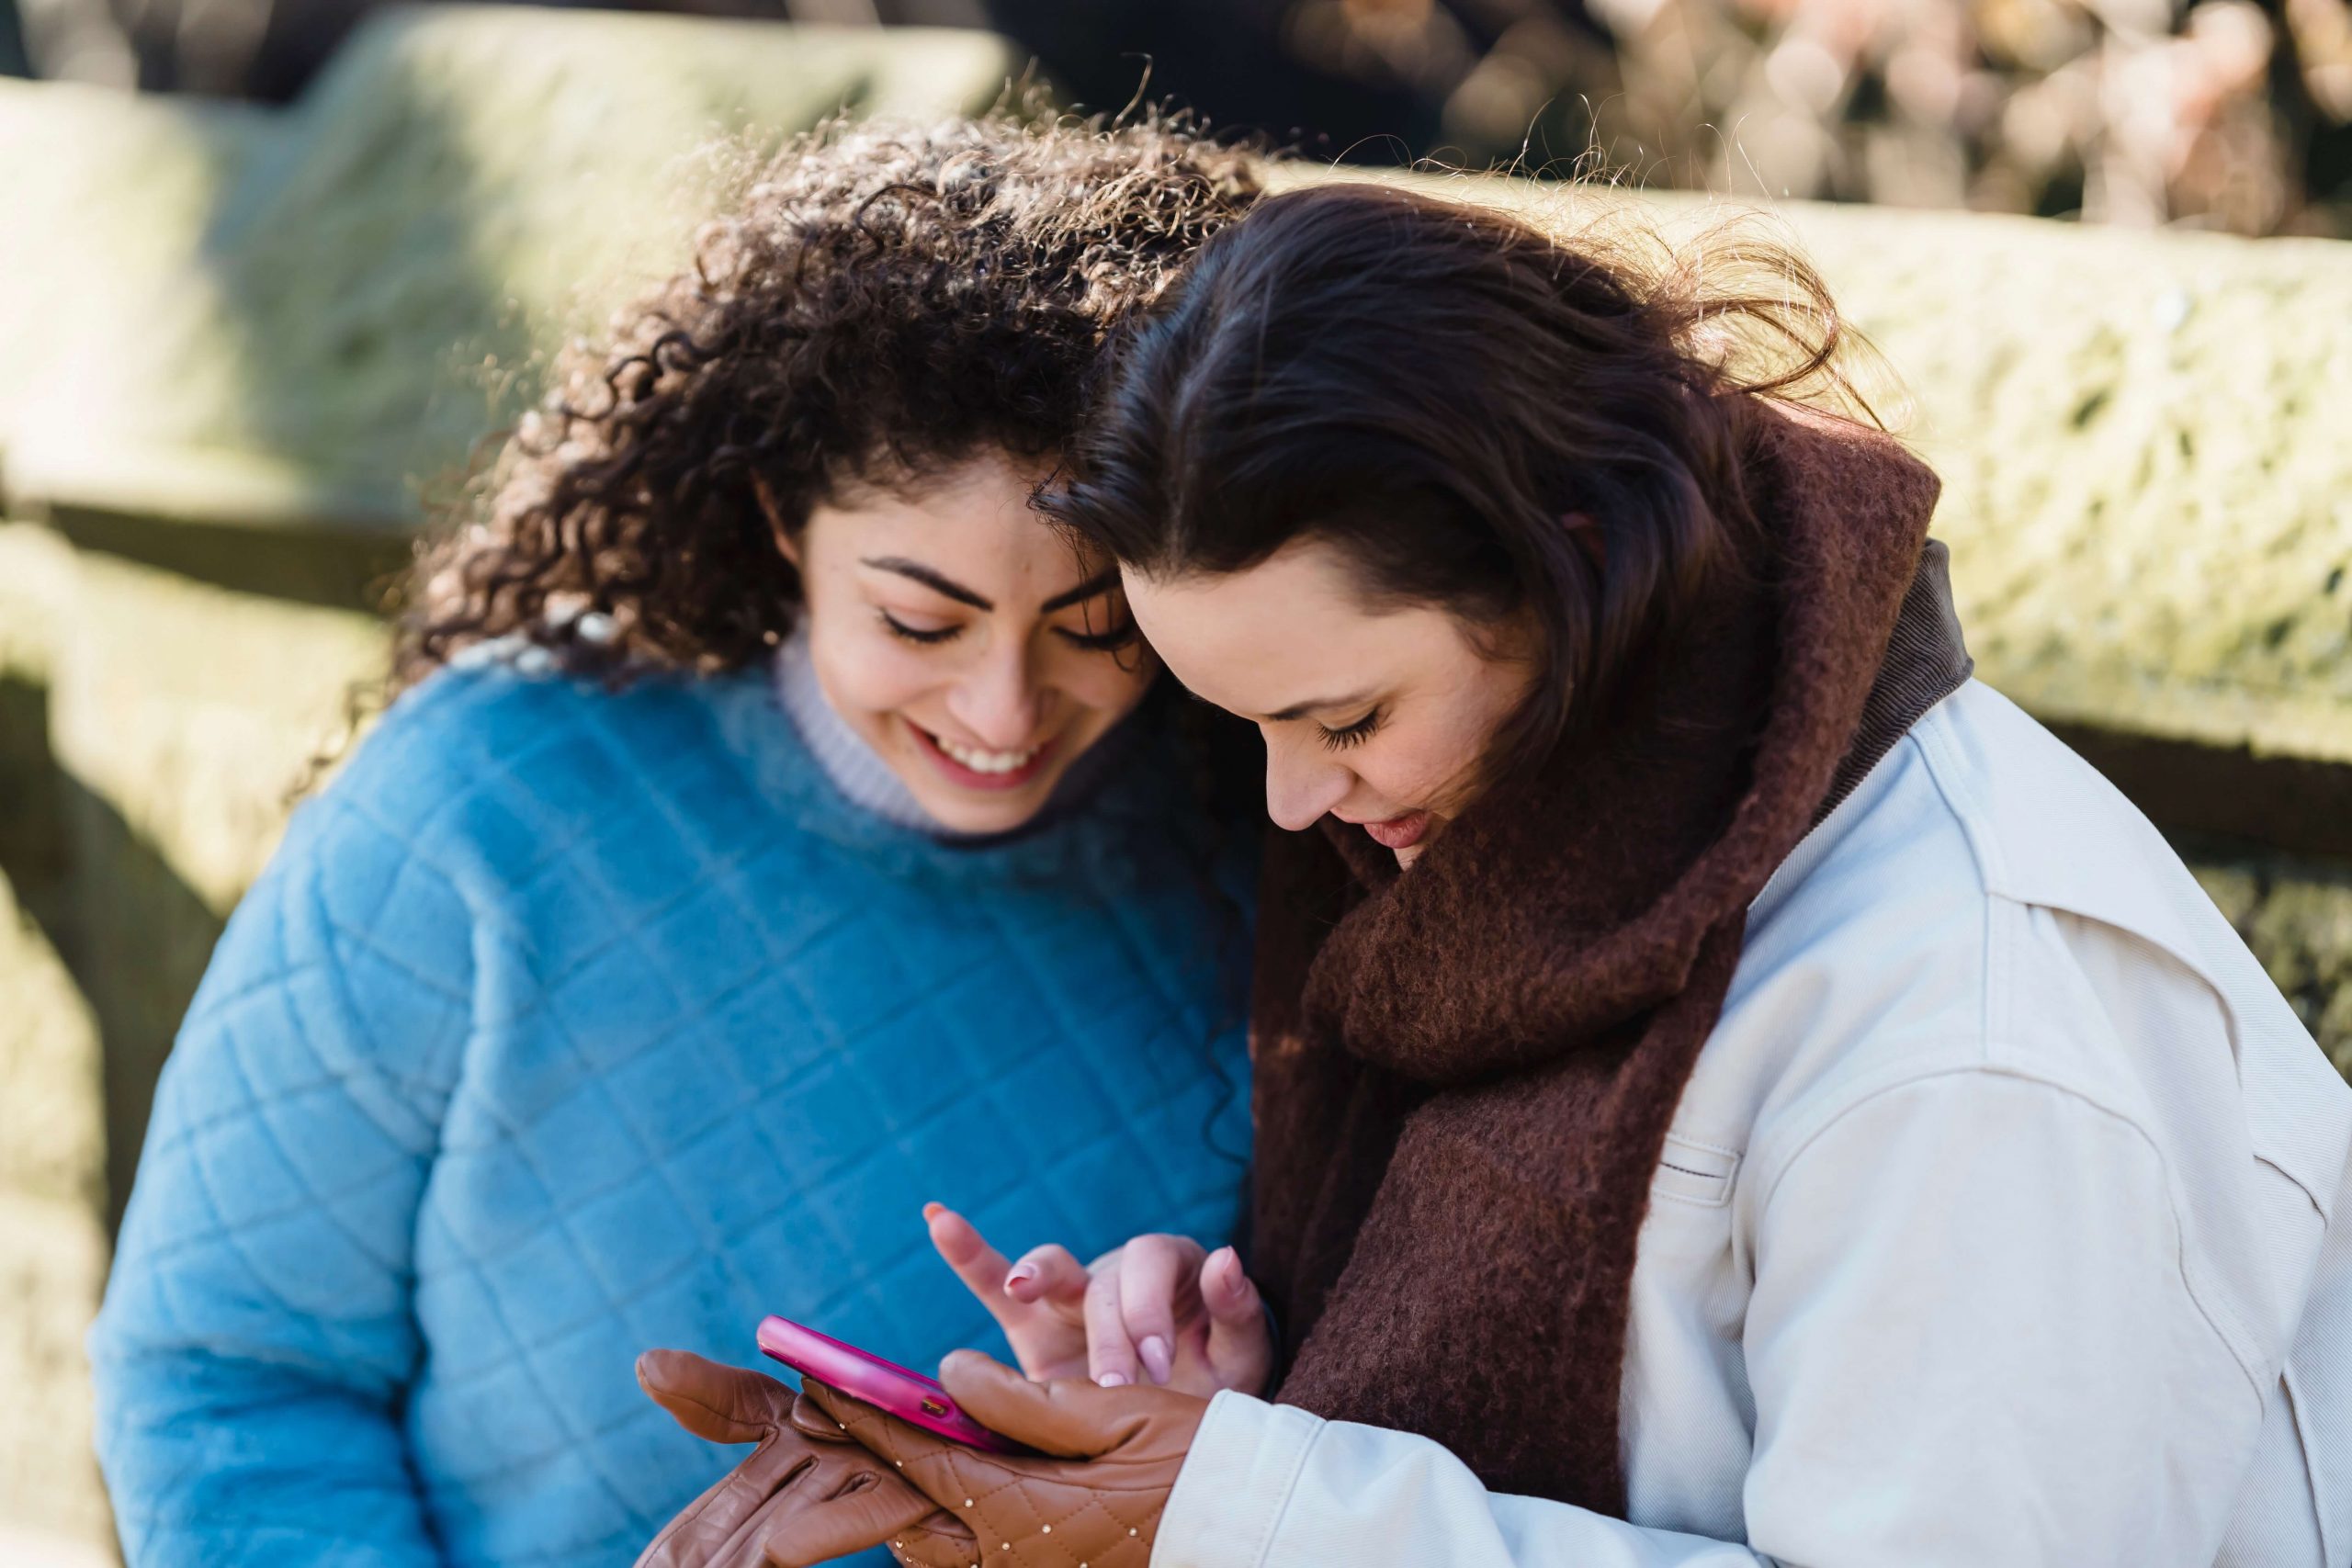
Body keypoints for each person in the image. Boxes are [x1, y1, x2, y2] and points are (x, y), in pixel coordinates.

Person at [646, 180, 2352, 1567]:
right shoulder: (1557, 861)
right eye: (1246, 725)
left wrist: (1244, 1512)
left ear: (1575, 565)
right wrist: (1243, 1399)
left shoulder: (1963, 1031)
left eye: (1346, 716)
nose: (1295, 800)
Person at [85, 115, 1266, 1568]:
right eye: (920, 620)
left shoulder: (1268, 842)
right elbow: (227, 1371)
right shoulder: (481, 797)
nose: (1006, 708)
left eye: (1099, 629)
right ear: (782, 513)